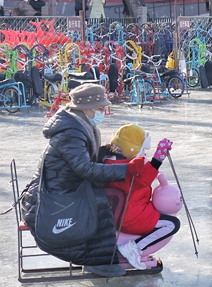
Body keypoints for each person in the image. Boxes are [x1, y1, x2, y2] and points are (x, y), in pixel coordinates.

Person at [21, 84, 136, 277]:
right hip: (54, 195)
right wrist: (127, 170)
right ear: (86, 109)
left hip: (66, 186)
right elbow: (85, 168)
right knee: (100, 203)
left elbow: (80, 158)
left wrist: (107, 151)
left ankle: (103, 258)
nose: (102, 112)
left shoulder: (80, 125)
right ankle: (98, 262)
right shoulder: (71, 132)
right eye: (99, 109)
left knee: (106, 196)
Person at [98, 124, 179, 270]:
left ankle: (136, 249)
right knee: (171, 224)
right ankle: (134, 249)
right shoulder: (120, 167)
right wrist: (157, 159)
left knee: (165, 220)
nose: (144, 155)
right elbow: (141, 180)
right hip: (131, 216)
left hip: (133, 209)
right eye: (143, 150)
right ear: (132, 149)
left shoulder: (114, 162)